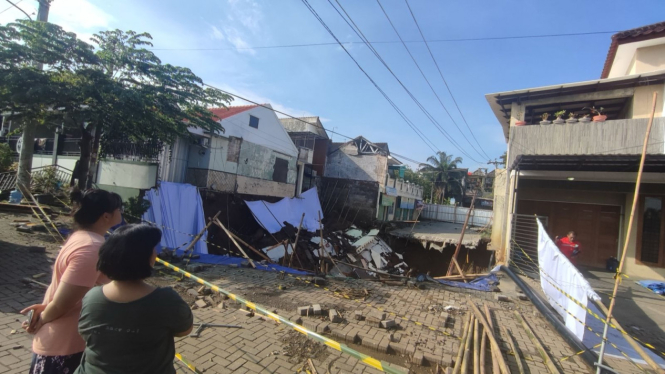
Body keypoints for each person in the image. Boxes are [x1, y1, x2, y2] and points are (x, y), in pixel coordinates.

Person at [21, 189, 123, 374]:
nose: (121, 213)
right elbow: (63, 303)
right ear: (106, 216)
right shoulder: (92, 248)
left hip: (66, 341)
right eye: (119, 209)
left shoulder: (83, 238)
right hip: (65, 347)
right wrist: (39, 321)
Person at [75, 224, 194, 374]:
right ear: (146, 258)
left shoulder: (92, 297)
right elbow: (184, 330)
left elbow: (85, 333)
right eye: (153, 249)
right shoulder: (166, 300)